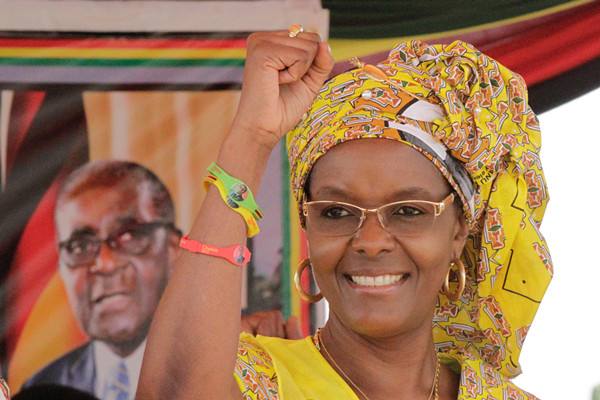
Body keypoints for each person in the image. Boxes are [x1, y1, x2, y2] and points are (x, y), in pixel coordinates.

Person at [138, 27, 551, 399]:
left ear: (460, 229)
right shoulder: (259, 383)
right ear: (307, 224)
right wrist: (253, 136)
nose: (370, 241)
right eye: (336, 212)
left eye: (408, 211)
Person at [24, 160, 300, 400]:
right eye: (80, 246)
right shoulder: (42, 385)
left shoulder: (244, 361)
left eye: (129, 236)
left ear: (174, 249)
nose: (105, 264)